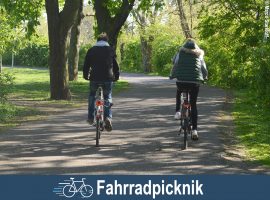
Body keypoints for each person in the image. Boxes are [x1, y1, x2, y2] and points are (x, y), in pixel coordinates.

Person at [170, 38, 208, 140]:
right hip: (194, 82)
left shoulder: (180, 53)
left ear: (184, 46)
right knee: (193, 104)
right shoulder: (199, 54)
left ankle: (178, 111)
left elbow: (174, 63)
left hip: (181, 81)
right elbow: (203, 68)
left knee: (179, 91)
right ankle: (195, 130)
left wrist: (172, 75)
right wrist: (205, 77)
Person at [83, 32, 119, 132]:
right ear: (106, 41)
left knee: (92, 96)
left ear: (97, 41)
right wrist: (116, 76)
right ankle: (108, 117)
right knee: (107, 96)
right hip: (108, 78)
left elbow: (86, 65)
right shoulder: (110, 50)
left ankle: (90, 117)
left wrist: (86, 76)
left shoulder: (91, 50)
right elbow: (115, 66)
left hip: (94, 78)